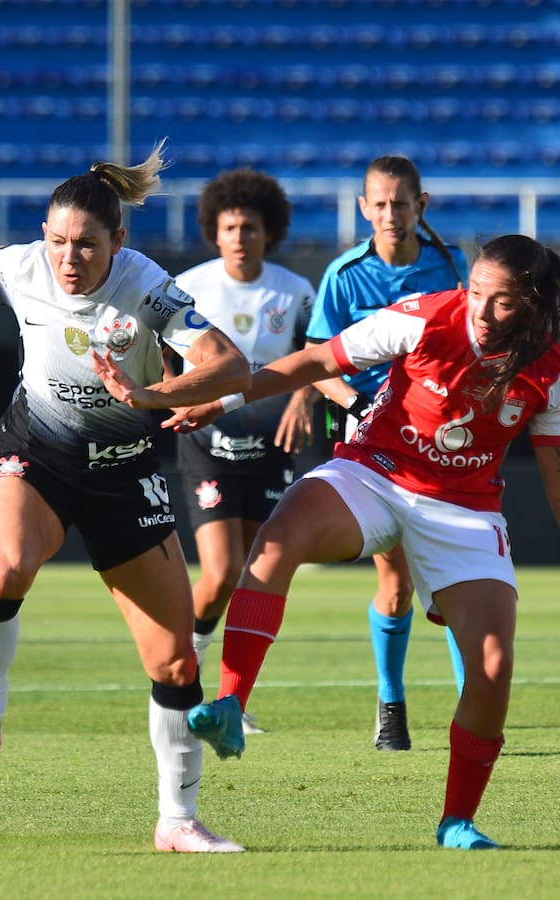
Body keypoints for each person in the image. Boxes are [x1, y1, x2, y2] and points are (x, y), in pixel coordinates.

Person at [97, 233, 560, 850]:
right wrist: (224, 396)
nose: (482, 312)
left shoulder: (551, 374)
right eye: (477, 293)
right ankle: (230, 707)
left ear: (532, 305)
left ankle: (457, 821)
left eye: (503, 301)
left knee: (493, 667)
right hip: (373, 473)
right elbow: (318, 361)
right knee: (277, 540)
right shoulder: (426, 316)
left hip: (464, 508)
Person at [0, 143, 252, 853]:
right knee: (5, 567)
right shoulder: (26, 265)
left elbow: (230, 364)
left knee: (177, 662)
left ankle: (177, 821)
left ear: (118, 242)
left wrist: (156, 395)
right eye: (58, 242)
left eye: (87, 246)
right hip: (34, 450)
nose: (69, 260)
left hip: (124, 473)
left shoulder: (149, 289)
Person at [308, 155, 471, 751]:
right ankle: (391, 706)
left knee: (456, 578)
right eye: (378, 203)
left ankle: (470, 709)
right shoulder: (345, 275)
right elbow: (319, 362)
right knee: (396, 579)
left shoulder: (451, 267)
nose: (390, 213)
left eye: (400, 203)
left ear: (420, 205)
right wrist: (355, 404)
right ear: (362, 208)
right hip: (373, 444)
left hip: (439, 439)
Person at [172, 169, 318, 735]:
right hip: (208, 446)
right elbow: (161, 347)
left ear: (268, 232)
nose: (239, 236)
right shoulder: (190, 287)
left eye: (249, 227)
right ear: (214, 230)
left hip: (270, 448)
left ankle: (231, 700)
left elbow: (315, 354)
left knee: (254, 577)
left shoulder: (294, 291)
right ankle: (183, 673)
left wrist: (304, 397)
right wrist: (167, 396)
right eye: (229, 226)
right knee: (222, 570)